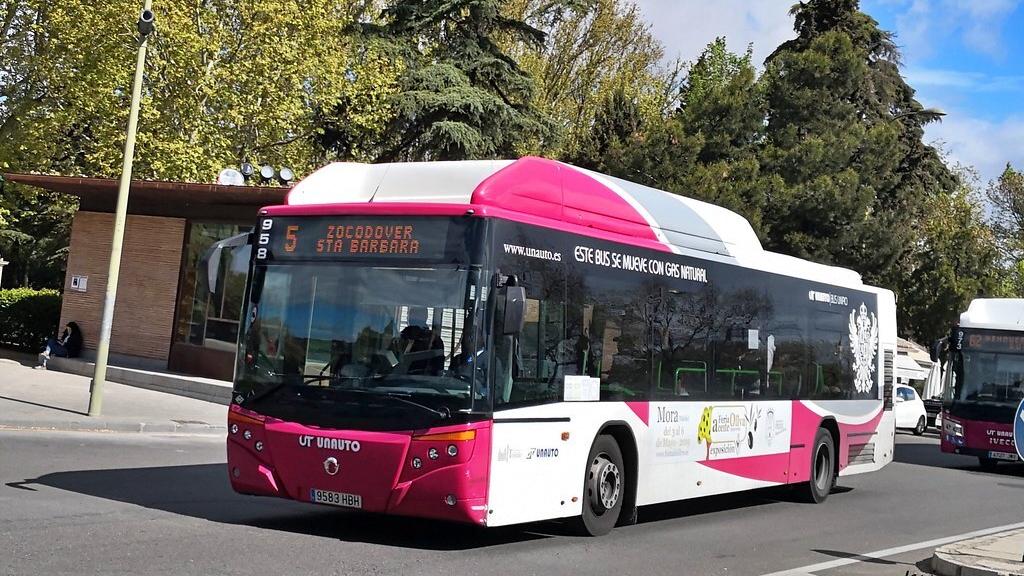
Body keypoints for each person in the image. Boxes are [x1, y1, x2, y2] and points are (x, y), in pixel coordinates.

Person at [399, 308, 444, 375]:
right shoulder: (401, 337)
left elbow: (438, 370)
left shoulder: (434, 340)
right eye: (410, 314)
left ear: (425, 317)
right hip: (397, 381)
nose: (410, 316)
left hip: (425, 383)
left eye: (415, 314)